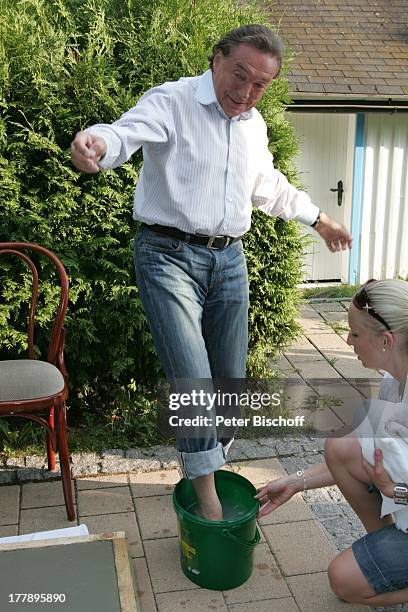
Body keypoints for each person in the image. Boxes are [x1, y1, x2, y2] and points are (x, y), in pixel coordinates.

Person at [70, 24, 352, 521]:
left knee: (229, 384)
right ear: (217, 58)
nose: (245, 91)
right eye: (239, 74)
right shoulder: (172, 101)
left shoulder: (253, 124)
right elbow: (125, 132)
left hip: (230, 260)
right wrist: (95, 144)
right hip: (166, 256)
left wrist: (320, 218)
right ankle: (207, 499)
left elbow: (268, 184)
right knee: (194, 381)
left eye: (259, 84)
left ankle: (205, 463)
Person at [256, 278, 408, 606]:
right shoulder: (393, 384)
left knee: (344, 581)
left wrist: (394, 491)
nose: (348, 339)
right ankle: (388, 548)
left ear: (385, 341)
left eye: (355, 333)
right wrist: (295, 482)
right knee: (340, 446)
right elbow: (357, 455)